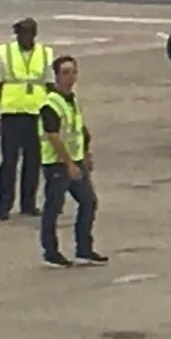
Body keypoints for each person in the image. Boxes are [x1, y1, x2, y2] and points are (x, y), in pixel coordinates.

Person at [38, 56, 107, 269]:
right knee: (54, 208)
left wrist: (85, 154)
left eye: (73, 72)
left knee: (89, 201)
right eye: (65, 73)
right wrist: (68, 163)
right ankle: (51, 253)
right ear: (57, 76)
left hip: (76, 161)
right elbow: (53, 135)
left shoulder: (72, 100)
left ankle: (84, 250)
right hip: (58, 164)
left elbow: (79, 129)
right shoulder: (51, 103)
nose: (70, 77)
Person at [0, 17, 54, 222]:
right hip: (12, 114)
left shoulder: (45, 53)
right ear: (16, 35)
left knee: (33, 162)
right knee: (9, 162)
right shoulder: (4, 53)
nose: (27, 37)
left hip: (36, 113)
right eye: (23, 33)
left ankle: (28, 203)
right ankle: (4, 205)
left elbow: (50, 85)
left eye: (30, 32)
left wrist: (53, 116)